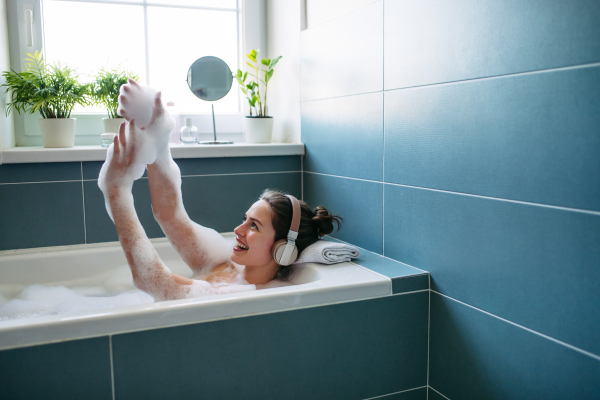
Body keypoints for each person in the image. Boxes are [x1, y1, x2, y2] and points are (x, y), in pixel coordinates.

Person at [98, 79, 342, 301]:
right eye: (245, 220)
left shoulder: (243, 295)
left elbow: (151, 281)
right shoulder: (223, 264)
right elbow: (168, 214)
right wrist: (158, 141)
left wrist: (116, 191)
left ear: (283, 250)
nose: (238, 229)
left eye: (254, 226)